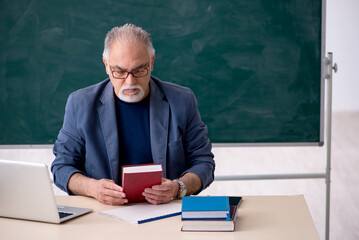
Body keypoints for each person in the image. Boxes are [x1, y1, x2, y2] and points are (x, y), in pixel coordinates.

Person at [51, 23, 215, 206]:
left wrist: (178, 187)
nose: (130, 81)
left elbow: (203, 163)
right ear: (106, 65)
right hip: (105, 214)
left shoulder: (182, 100)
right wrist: (93, 188)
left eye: (139, 70)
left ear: (152, 62)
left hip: (166, 212)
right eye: (119, 71)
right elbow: (61, 168)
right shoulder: (80, 103)